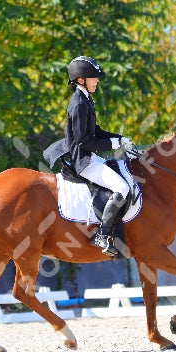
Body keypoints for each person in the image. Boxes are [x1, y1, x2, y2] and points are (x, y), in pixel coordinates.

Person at [43, 56, 133, 257]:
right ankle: (102, 234)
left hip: (89, 157)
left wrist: (120, 138)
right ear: (81, 80)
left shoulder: (85, 98)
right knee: (122, 187)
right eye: (94, 78)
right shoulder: (79, 103)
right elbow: (83, 141)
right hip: (83, 161)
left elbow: (96, 130)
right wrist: (113, 144)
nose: (97, 81)